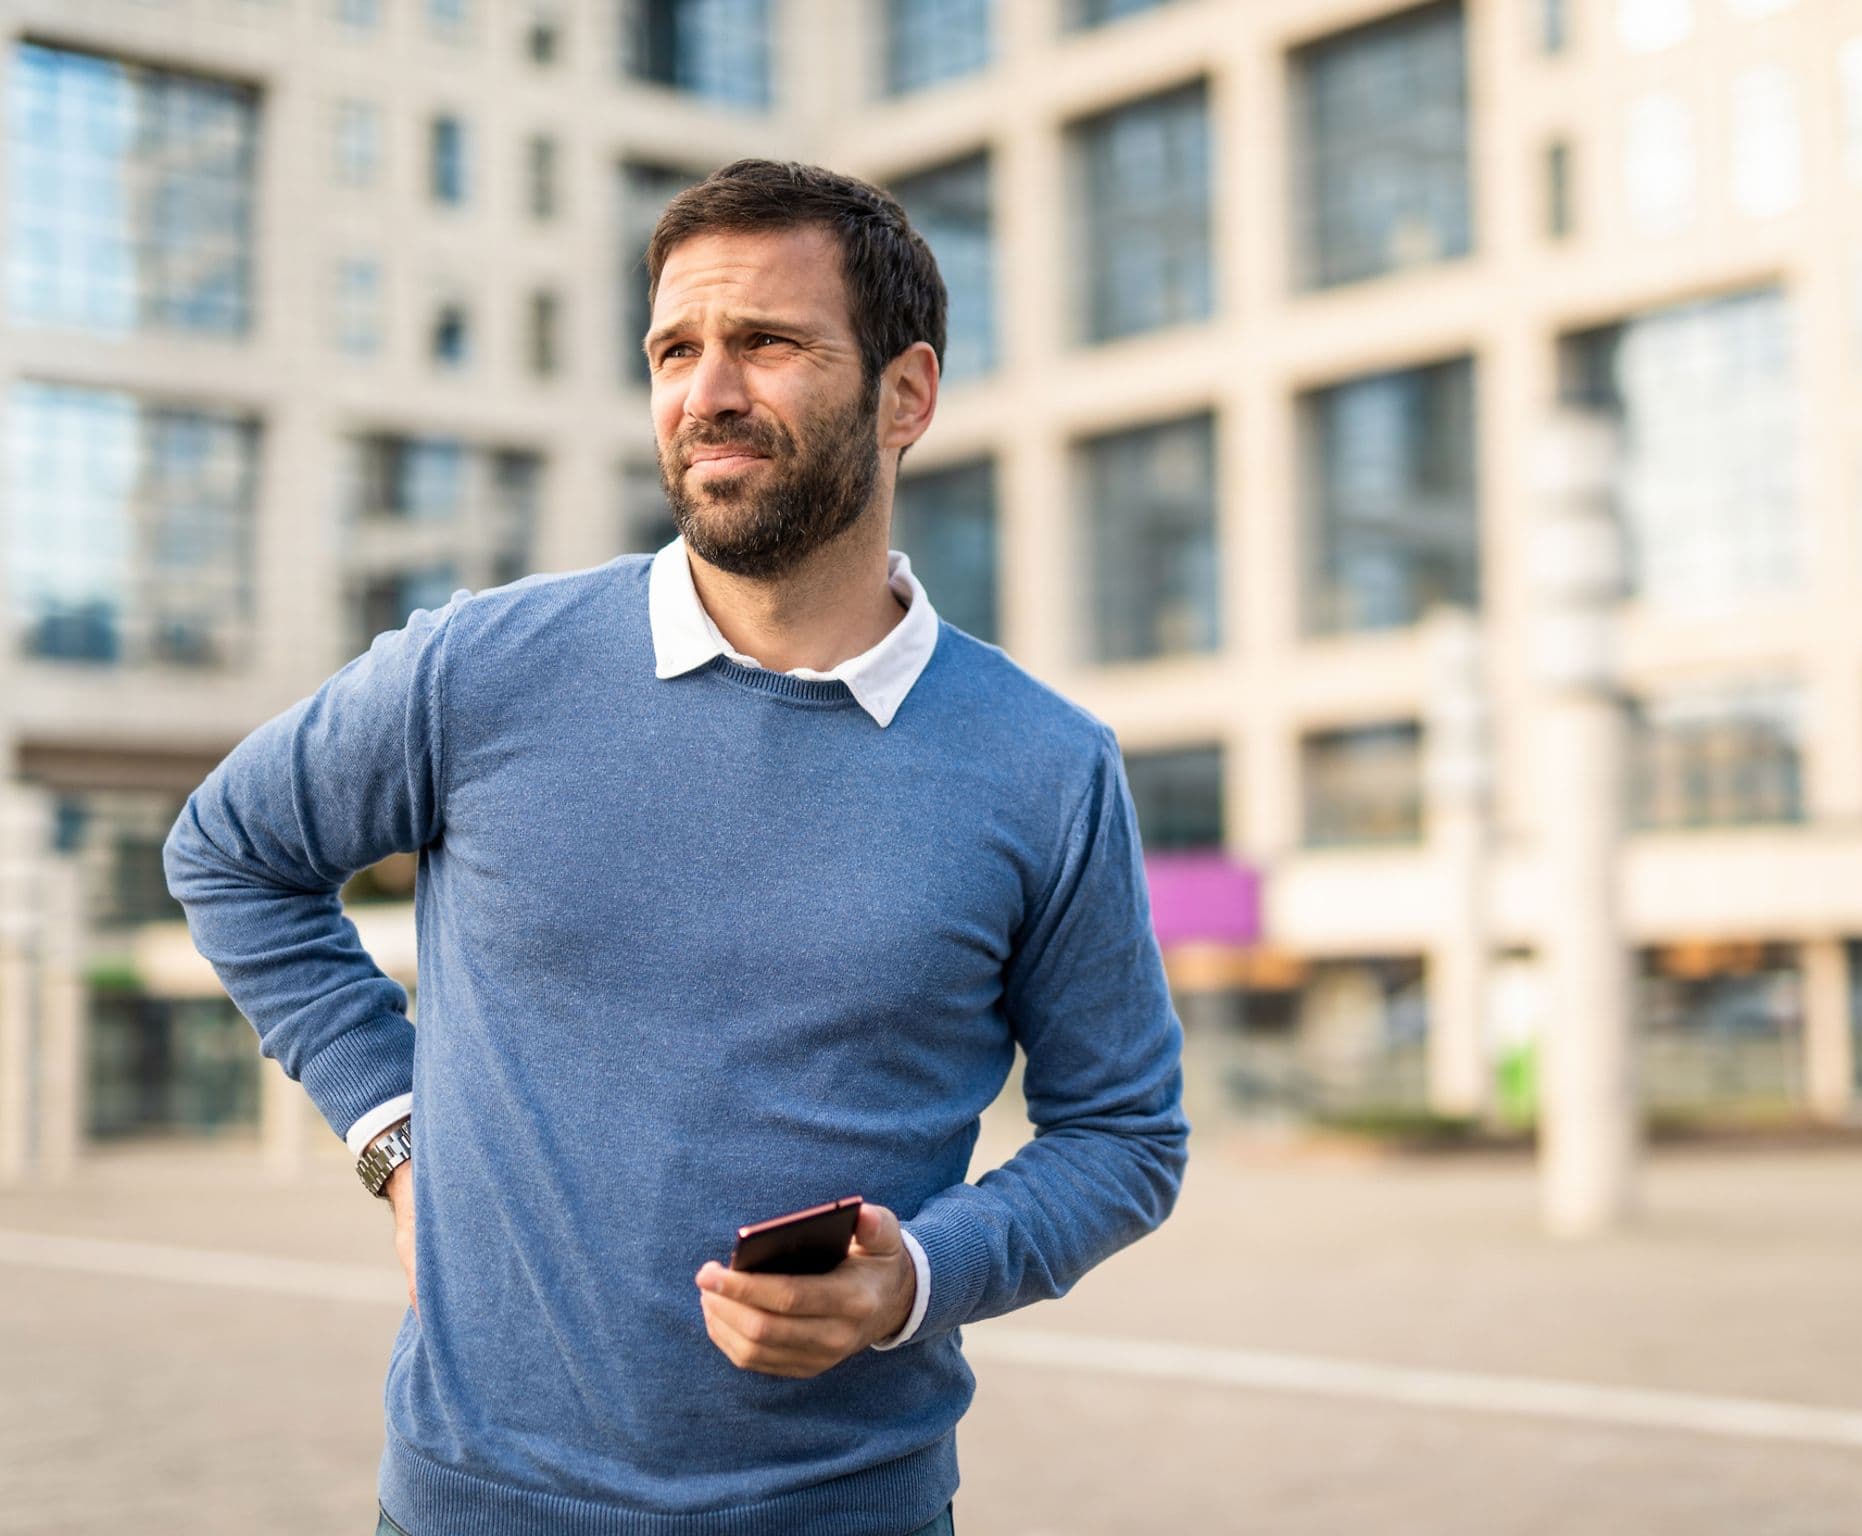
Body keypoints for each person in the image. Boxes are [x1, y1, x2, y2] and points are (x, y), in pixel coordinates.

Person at [163, 158, 1190, 1536]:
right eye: (674, 350)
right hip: (473, 1508)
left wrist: (920, 1277)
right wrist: (395, 1138)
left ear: (907, 394)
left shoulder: (1045, 766)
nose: (707, 392)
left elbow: (1123, 1133)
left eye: (767, 343)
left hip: (847, 1512)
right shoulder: (479, 670)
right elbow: (229, 854)